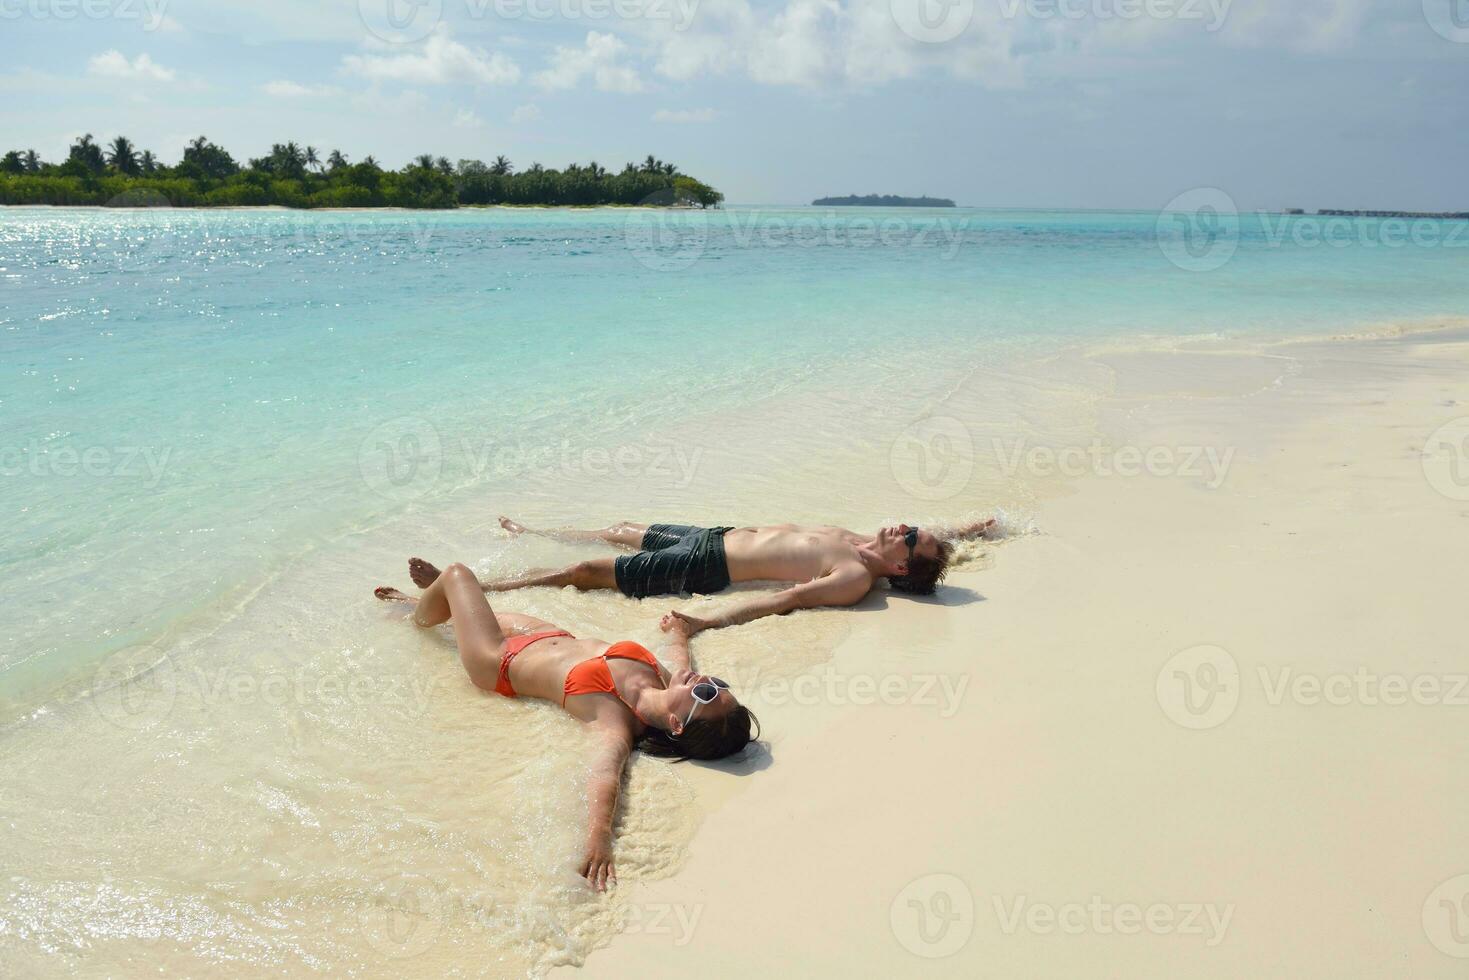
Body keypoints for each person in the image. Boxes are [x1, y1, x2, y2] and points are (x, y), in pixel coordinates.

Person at [374, 565, 757, 890]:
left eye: (706, 693)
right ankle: (421, 604)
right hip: (547, 635)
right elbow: (680, 659)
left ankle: (414, 617)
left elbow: (606, 773)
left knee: (458, 576)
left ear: (676, 724)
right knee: (463, 611)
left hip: (499, 662)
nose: (705, 680)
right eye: (718, 684)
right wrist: (679, 631)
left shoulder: (616, 719)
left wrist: (598, 840)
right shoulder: (666, 678)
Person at [390, 517, 996, 635]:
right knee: (621, 528)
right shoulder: (863, 540)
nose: (908, 526)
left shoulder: (853, 576)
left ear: (899, 566)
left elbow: (783, 600)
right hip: (716, 531)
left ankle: (466, 588)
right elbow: (941, 538)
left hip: (707, 566)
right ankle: (530, 531)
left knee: (586, 572)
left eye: (913, 539)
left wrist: (703, 620)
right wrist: (971, 531)